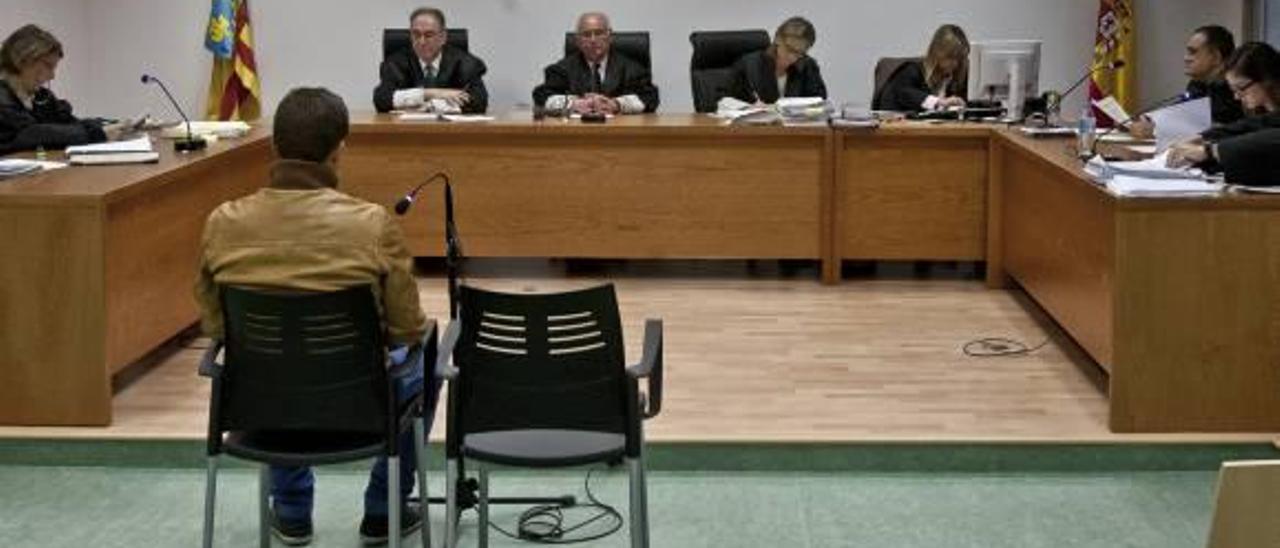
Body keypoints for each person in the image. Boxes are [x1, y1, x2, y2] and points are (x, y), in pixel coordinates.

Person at [195, 87, 439, 546]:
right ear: (339, 149)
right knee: (425, 351)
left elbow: (215, 327)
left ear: (273, 146)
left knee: (273, 356)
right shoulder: (372, 223)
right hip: (360, 407)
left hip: (262, 407)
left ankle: (290, 510)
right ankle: (383, 509)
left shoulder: (222, 221)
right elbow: (405, 327)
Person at [0, 24, 126, 155]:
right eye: (48, 65)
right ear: (23, 60)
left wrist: (113, 125)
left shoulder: (40, 97)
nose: (52, 76)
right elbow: (30, 134)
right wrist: (98, 133)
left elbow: (69, 124)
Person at [1166, 42, 1280, 186]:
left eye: (1241, 88)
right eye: (1234, 90)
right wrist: (1203, 139)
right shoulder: (1263, 111)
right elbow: (1249, 127)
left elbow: (1268, 138)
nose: (1237, 97)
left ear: (1266, 79)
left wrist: (1210, 151)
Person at [532, 12, 659, 115]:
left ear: (609, 36)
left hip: (621, 137)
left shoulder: (633, 69)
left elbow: (650, 98)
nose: (593, 40)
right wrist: (573, 104)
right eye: (586, 34)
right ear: (578, 41)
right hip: (576, 136)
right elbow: (541, 96)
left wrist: (617, 104)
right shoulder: (561, 69)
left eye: (599, 33)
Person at [1129, 25, 1244, 138]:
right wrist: (1151, 120)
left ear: (1216, 58)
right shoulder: (1198, 83)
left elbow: (1223, 130)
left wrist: (1159, 129)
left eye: (1192, 52)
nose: (1186, 58)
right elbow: (1178, 115)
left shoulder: (1233, 90)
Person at [373, 7, 489, 114]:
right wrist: (431, 93)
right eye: (416, 34)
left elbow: (479, 102)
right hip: (407, 132)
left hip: (452, 132)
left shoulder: (466, 63)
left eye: (429, 35)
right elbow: (382, 100)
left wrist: (425, 104)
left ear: (443, 37)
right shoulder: (394, 63)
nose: (421, 41)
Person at [728, 16, 827, 104]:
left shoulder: (808, 66)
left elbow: (819, 102)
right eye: (789, 49)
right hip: (757, 123)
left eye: (799, 53)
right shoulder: (748, 65)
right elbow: (726, 102)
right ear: (777, 39)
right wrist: (750, 108)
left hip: (795, 124)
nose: (792, 57)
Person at [873, 24, 969, 112]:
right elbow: (905, 94)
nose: (955, 63)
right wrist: (939, 102)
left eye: (959, 58)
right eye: (951, 57)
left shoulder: (954, 79)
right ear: (937, 52)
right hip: (901, 128)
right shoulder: (911, 70)